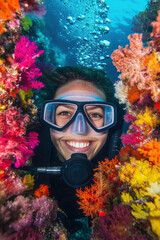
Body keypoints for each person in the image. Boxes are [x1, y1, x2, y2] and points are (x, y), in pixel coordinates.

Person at [33, 66, 124, 233]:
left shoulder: (126, 166)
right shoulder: (27, 156)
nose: (79, 130)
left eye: (95, 115)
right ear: (47, 117)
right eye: (65, 113)